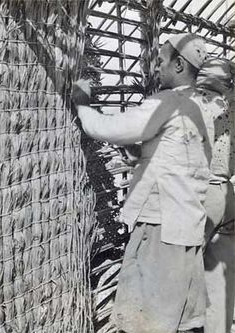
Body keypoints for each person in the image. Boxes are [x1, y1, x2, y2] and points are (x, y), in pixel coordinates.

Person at [72, 33, 222, 333]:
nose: (156, 67)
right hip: (186, 226)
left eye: (162, 61)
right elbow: (177, 153)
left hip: (160, 227)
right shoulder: (202, 107)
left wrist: (82, 102)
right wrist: (142, 153)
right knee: (177, 321)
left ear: (179, 65)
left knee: (147, 323)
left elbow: (107, 128)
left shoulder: (168, 102)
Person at [196, 58, 235, 333]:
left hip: (200, 195)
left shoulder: (198, 104)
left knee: (178, 273)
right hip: (228, 195)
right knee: (222, 280)